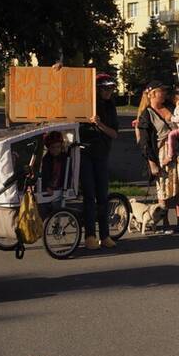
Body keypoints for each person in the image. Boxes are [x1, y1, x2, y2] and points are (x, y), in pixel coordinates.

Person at [137, 81, 179, 234]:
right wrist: (152, 163)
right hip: (163, 155)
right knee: (164, 190)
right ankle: (165, 223)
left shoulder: (171, 107)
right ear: (153, 94)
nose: (165, 93)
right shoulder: (147, 114)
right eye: (162, 91)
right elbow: (145, 142)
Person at [79, 74, 120, 250]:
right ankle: (90, 236)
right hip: (85, 154)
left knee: (102, 196)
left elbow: (114, 133)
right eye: (105, 88)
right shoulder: (85, 105)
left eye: (111, 88)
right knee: (89, 195)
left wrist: (100, 125)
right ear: (96, 89)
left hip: (102, 155)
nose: (108, 91)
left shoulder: (111, 107)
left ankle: (105, 235)